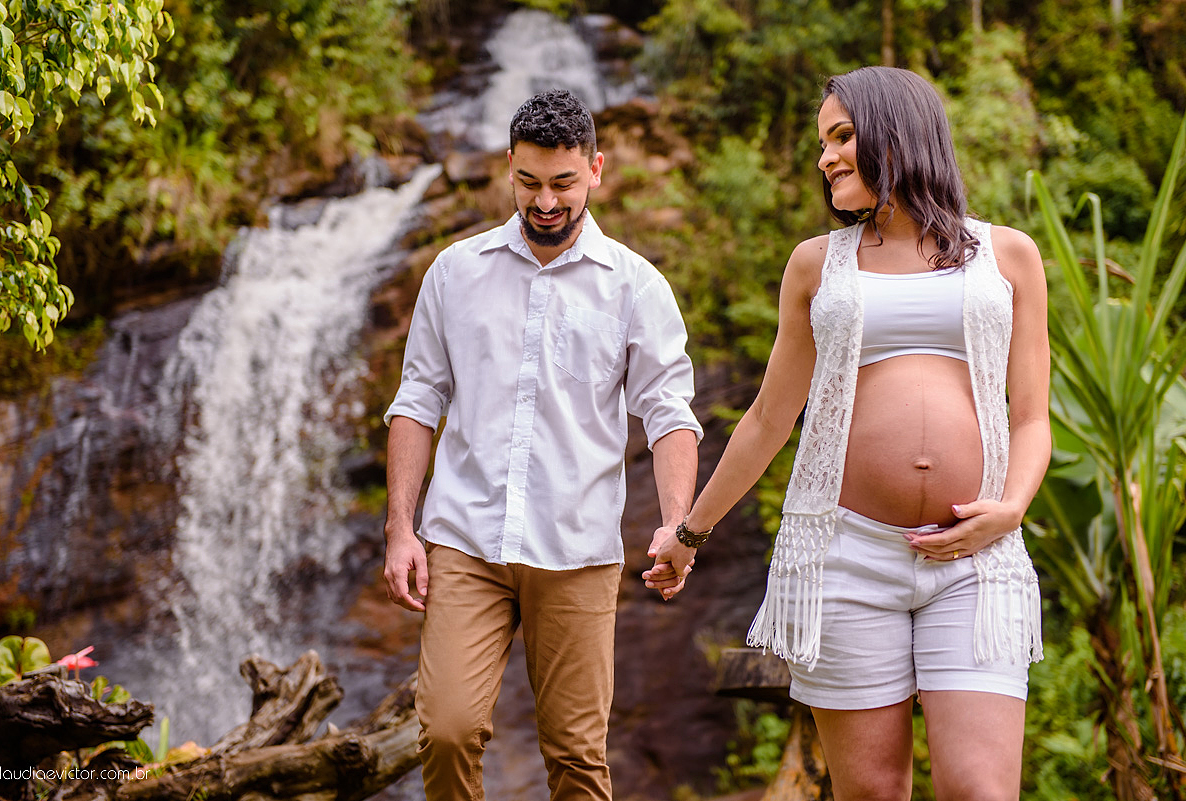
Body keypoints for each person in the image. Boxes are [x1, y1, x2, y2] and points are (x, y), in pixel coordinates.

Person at [644, 66, 1050, 800]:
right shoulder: (816, 265)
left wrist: (1013, 506)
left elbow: (1031, 415)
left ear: (896, 133)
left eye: (841, 136)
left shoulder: (1008, 256)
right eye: (821, 142)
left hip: (975, 562)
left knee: (983, 790)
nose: (825, 156)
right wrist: (689, 532)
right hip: (846, 558)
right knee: (871, 794)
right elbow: (771, 415)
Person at [381, 88, 703, 801]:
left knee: (577, 758)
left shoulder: (636, 286)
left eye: (562, 183)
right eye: (529, 182)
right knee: (446, 728)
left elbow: (669, 412)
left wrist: (677, 521)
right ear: (508, 168)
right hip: (465, 540)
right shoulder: (454, 272)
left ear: (595, 169)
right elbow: (417, 400)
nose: (545, 201)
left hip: (578, 548)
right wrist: (400, 526)